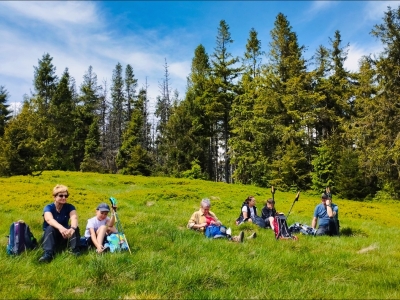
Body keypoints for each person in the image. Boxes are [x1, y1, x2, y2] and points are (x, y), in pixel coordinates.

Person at [39, 184, 81, 263]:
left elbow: (74, 218)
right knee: (50, 227)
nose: (64, 198)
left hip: (65, 234)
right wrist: (60, 228)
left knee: (75, 227)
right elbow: (49, 219)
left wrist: (72, 228)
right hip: (51, 235)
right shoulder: (49, 207)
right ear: (54, 197)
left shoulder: (70, 207)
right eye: (61, 196)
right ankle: (48, 254)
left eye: (66, 196)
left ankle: (75, 250)